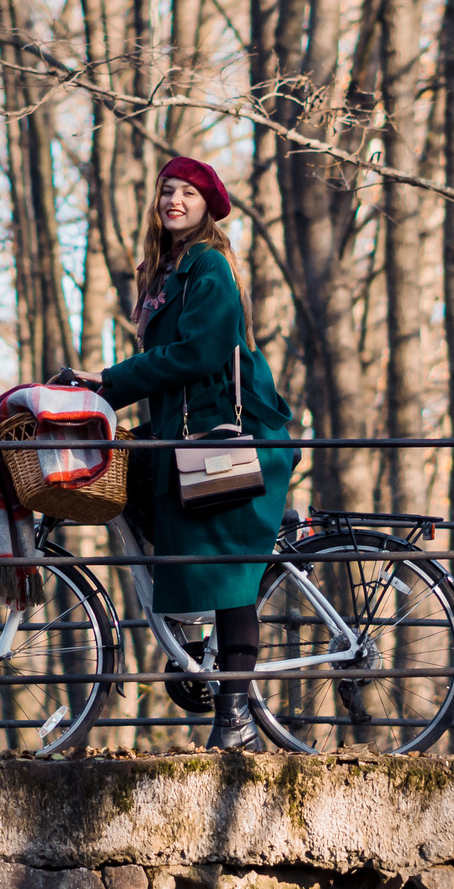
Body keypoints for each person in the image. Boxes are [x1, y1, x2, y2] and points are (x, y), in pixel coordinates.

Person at [57, 158, 294, 749]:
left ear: (207, 206)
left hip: (230, 440)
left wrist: (111, 383)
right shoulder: (166, 273)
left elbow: (201, 355)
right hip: (190, 438)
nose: (174, 200)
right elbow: (173, 374)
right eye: (167, 191)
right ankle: (191, 642)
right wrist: (106, 393)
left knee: (232, 572)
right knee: (131, 487)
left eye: (188, 192)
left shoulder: (208, 266)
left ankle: (235, 716)